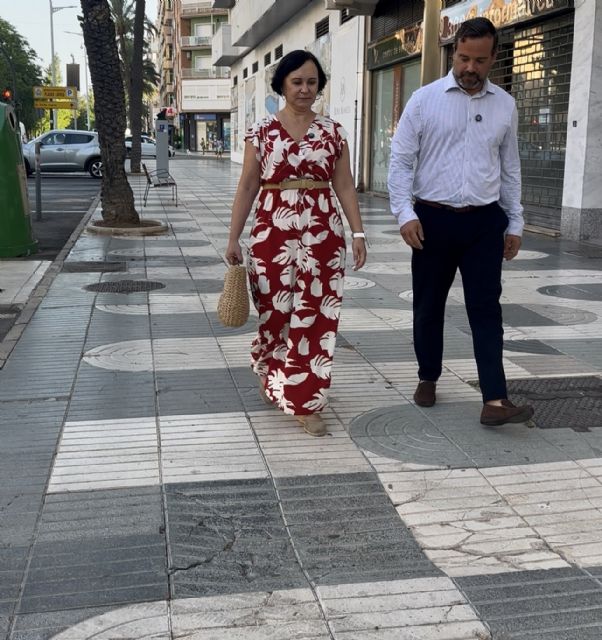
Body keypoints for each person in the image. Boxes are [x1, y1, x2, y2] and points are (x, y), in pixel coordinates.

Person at [387, 17, 534, 427]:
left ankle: (495, 399)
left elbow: (510, 168)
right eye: (464, 58)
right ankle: (428, 376)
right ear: (454, 52)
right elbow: (400, 161)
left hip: (484, 223)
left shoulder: (504, 104)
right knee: (428, 305)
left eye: (480, 61)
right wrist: (405, 214)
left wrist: (515, 222)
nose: (470, 67)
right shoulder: (424, 100)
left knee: (486, 308)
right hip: (432, 220)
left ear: (494, 57)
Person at [225, 49, 367, 437]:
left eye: (312, 82)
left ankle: (306, 400)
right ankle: (272, 371)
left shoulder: (333, 132)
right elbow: (248, 186)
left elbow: (344, 185)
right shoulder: (261, 132)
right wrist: (233, 237)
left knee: (316, 315)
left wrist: (357, 233)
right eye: (297, 82)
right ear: (282, 85)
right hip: (271, 233)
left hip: (323, 235)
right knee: (274, 313)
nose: (305, 89)